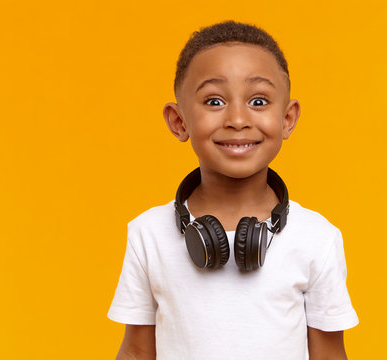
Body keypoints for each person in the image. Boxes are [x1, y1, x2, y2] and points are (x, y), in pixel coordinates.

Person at [108, 20, 359, 359]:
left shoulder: (317, 238)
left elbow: (329, 355)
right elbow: (137, 352)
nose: (237, 119)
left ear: (287, 119)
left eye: (258, 101)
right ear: (179, 121)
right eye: (214, 102)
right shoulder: (148, 234)